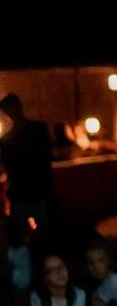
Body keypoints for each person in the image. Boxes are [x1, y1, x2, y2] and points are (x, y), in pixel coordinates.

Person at [0, 94, 54, 228]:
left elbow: (7, 165)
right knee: (41, 229)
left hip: (26, 191)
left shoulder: (8, 139)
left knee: (22, 231)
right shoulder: (39, 129)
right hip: (34, 190)